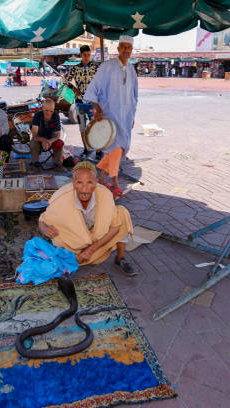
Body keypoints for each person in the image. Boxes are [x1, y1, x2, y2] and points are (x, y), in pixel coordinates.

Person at [39, 161, 137, 276]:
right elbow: (42, 219)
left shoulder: (105, 194)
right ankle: (78, 255)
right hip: (75, 238)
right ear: (73, 183)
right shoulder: (61, 196)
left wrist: (90, 250)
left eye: (89, 182)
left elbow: (115, 227)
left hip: (98, 235)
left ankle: (120, 258)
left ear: (96, 182)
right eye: (79, 183)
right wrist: (45, 229)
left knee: (122, 213)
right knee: (59, 240)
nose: (84, 189)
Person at [83, 35, 138, 199]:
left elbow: (135, 95)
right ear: (118, 48)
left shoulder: (131, 70)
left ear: (131, 50)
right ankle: (114, 183)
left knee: (116, 150)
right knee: (116, 149)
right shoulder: (107, 67)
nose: (126, 50)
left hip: (126, 117)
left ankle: (100, 178)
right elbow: (93, 89)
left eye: (129, 47)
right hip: (109, 116)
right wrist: (97, 109)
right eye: (124, 47)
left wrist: (132, 115)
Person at [64, 45, 99, 157]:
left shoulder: (94, 67)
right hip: (79, 103)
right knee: (82, 127)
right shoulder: (75, 68)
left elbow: (100, 83)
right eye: (85, 55)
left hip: (92, 103)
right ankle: (85, 148)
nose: (87, 57)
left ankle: (98, 149)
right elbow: (65, 81)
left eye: (89, 55)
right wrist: (74, 88)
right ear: (81, 55)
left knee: (94, 127)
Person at [29, 99, 66, 173]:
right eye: (46, 110)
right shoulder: (37, 115)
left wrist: (50, 141)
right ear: (42, 108)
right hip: (39, 139)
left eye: (51, 111)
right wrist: (43, 140)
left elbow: (58, 135)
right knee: (33, 143)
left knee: (60, 143)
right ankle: (35, 164)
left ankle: (58, 164)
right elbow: (34, 135)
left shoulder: (55, 116)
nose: (49, 113)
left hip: (51, 139)